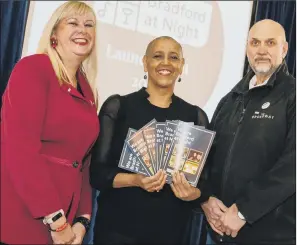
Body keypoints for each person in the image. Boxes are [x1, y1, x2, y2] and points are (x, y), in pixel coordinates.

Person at [90, 36, 209, 245]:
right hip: (117, 232)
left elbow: (204, 185)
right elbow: (97, 174)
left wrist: (192, 193)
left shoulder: (195, 117)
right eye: (157, 56)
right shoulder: (118, 107)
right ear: (145, 63)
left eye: (173, 57)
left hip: (171, 234)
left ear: (181, 66)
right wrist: (135, 180)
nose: (165, 63)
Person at [0, 1, 99, 244]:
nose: (83, 30)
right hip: (26, 216)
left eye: (89, 25)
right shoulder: (33, 69)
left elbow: (83, 162)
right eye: (73, 23)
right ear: (54, 34)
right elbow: (20, 149)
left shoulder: (87, 88)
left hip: (66, 223)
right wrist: (56, 219)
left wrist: (82, 220)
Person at [201, 19, 295, 244]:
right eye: (255, 43)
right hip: (222, 232)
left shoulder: (293, 96)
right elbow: (208, 157)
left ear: (284, 49)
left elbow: (293, 165)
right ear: (247, 49)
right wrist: (207, 199)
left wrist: (244, 211)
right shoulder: (230, 99)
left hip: (272, 235)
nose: (261, 50)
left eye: (270, 43)